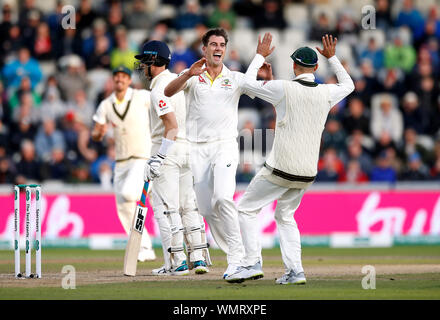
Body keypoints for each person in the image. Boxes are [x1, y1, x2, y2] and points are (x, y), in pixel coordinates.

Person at [225, 34, 354, 284]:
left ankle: (252, 263)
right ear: (316, 68)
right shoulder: (326, 92)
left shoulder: (282, 87)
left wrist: (260, 55)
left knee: (246, 208)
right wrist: (334, 58)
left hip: (280, 168)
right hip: (307, 172)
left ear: (294, 66)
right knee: (285, 216)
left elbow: (248, 83)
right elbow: (349, 86)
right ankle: (295, 271)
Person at [164, 28, 274, 279]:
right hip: (197, 149)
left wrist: (261, 64)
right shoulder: (193, 74)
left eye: (222, 44)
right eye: (213, 44)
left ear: (225, 49)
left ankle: (237, 260)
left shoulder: (234, 78)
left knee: (223, 198)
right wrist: (186, 75)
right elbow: (168, 92)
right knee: (206, 209)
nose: (217, 48)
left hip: (224, 146)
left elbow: (261, 90)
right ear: (204, 49)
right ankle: (243, 256)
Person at [136, 40, 211, 275]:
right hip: (188, 151)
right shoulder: (180, 81)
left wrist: (158, 157)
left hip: (168, 150)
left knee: (167, 208)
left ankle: (177, 262)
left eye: (144, 62)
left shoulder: (160, 88)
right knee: (189, 206)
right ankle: (197, 259)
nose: (141, 67)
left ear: (153, 62)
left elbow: (172, 126)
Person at [91, 66, 156, 262]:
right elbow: (96, 132)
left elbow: (162, 104)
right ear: (113, 80)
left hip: (142, 157)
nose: (120, 79)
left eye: (124, 77)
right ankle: (143, 246)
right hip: (120, 162)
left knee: (128, 193)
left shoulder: (141, 96)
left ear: (129, 80)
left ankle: (150, 189)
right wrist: (99, 133)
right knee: (123, 205)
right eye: (117, 77)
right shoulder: (106, 105)